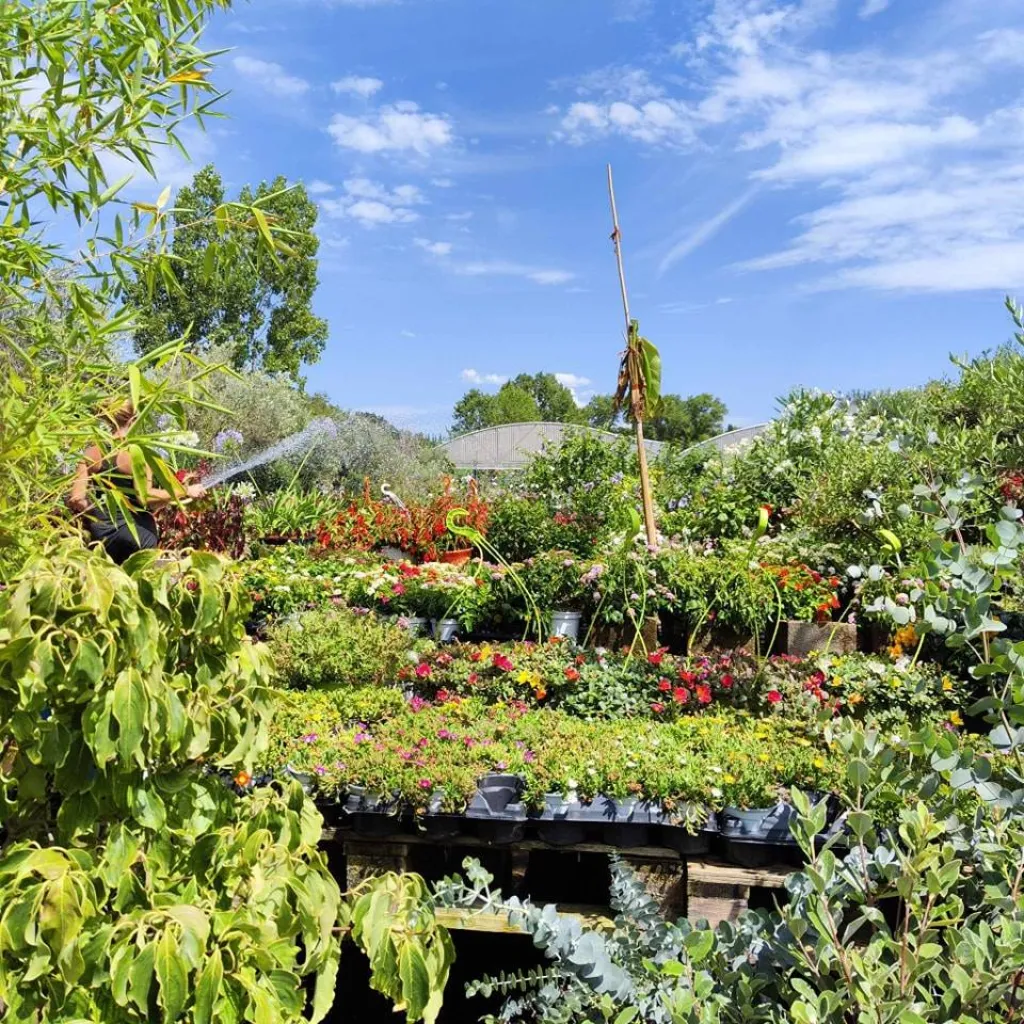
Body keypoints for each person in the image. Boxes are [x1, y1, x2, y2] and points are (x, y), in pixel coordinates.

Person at [66, 399, 205, 564]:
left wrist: (100, 516)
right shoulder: (140, 454)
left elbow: (76, 499)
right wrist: (186, 491)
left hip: (101, 535)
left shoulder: (90, 453)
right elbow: (146, 497)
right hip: (137, 535)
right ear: (134, 420)